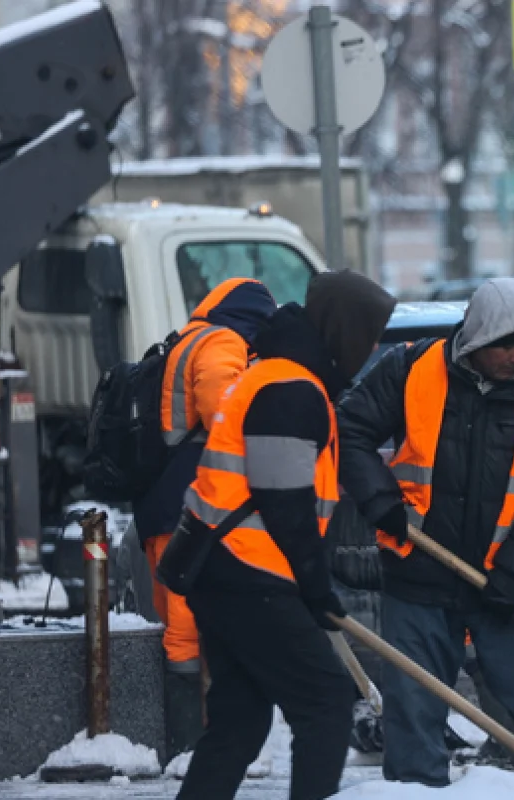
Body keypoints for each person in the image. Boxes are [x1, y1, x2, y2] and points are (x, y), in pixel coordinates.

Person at [337, 277, 514, 788]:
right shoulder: (410, 370)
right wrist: (382, 502)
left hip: (504, 580)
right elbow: (349, 430)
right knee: (413, 718)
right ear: (477, 339)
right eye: (508, 344)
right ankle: (415, 791)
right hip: (420, 570)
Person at [173, 271, 396, 800]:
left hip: (225, 568)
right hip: (249, 572)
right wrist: (316, 588)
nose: (367, 352)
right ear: (342, 332)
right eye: (366, 337)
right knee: (325, 704)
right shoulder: (290, 388)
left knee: (239, 723)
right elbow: (285, 502)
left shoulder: (282, 376)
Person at [133, 276, 276, 758]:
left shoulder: (188, 338)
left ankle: (192, 737)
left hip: (167, 502)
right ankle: (188, 742)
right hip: (188, 503)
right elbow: (224, 411)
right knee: (186, 625)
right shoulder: (220, 342)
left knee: (180, 619)